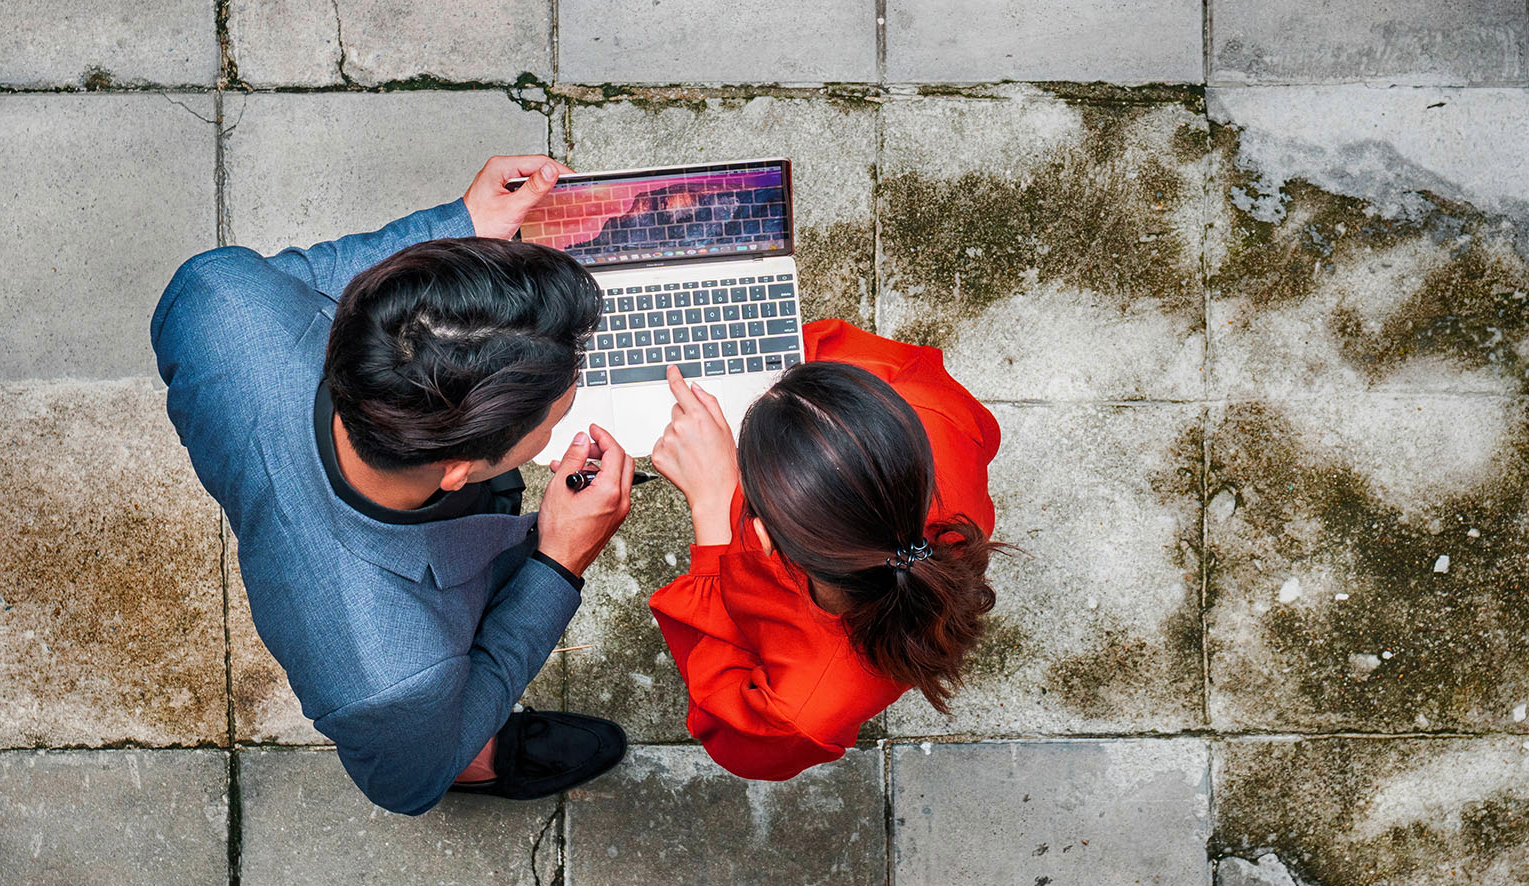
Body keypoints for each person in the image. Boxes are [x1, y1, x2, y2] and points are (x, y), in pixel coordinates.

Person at [152, 155, 633, 815]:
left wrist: (463, 226)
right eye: (555, 416)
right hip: (417, 666)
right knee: (442, 737)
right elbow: (404, 787)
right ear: (458, 468)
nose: (567, 404)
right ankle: (479, 762)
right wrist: (559, 563)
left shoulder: (217, 295)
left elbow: (314, 283)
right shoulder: (391, 674)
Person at [646, 321, 1004, 780]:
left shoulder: (797, 712)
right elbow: (839, 370)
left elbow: (735, 734)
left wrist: (713, 506)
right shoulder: (926, 410)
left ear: (761, 536)